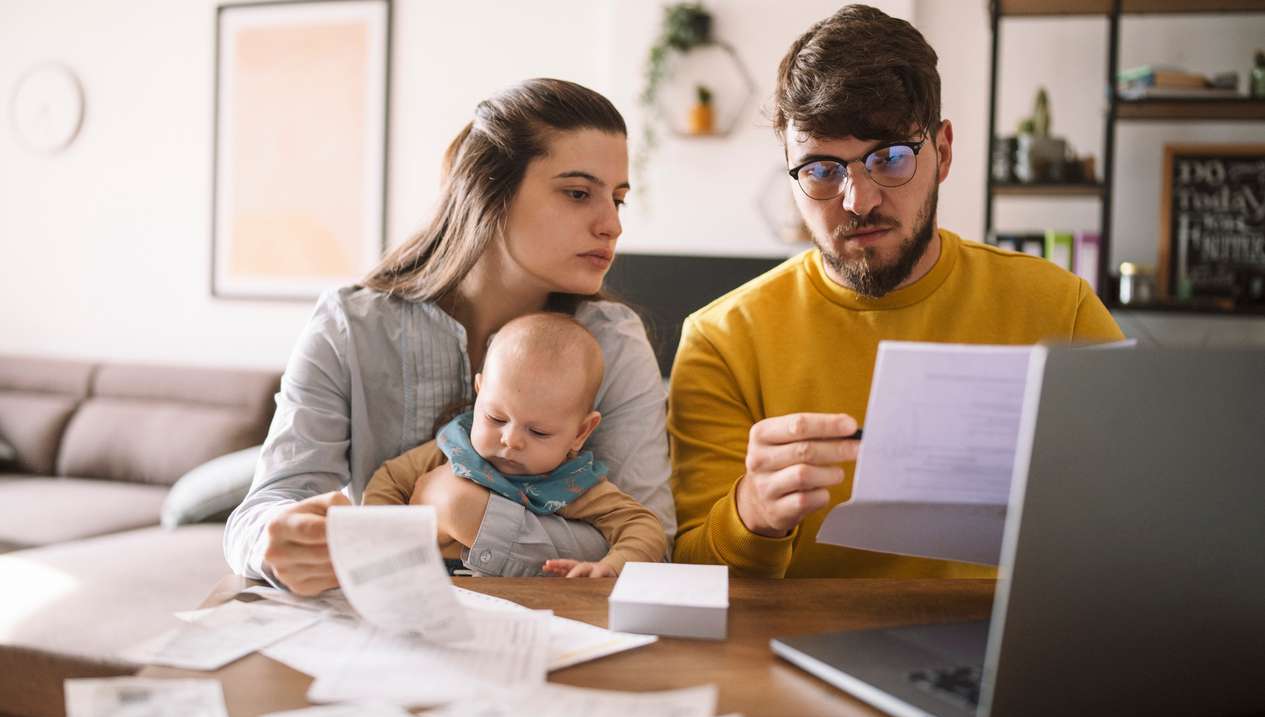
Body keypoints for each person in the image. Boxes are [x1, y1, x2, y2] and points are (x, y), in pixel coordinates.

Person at [669, 5, 1124, 579]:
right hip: (794, 655)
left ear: (945, 152)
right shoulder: (721, 340)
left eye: (889, 158)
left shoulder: (1062, 309)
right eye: (821, 169)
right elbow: (686, 577)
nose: (858, 201)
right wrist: (752, 514)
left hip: (1007, 649)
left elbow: (1141, 515)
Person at [224, 79, 674, 596]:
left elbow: (652, 541)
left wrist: (465, 512)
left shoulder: (613, 342)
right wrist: (276, 542)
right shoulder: (350, 326)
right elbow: (259, 513)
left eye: (618, 199)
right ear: (489, 191)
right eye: (578, 194)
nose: (612, 224)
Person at [361, 312, 667, 578]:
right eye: (495, 418)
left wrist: (613, 566)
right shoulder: (453, 448)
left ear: (581, 432)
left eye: (538, 432)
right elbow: (388, 481)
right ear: (479, 393)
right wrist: (381, 546)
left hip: (526, 603)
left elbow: (644, 527)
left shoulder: (573, 483)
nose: (511, 440)